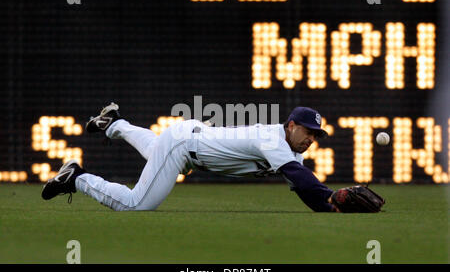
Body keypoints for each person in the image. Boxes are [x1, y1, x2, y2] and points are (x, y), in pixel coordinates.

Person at [40, 103, 369, 212]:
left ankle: (114, 124)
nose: (312, 139)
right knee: (135, 205)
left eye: (317, 136)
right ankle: (77, 177)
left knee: (155, 148)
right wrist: (329, 196)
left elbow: (304, 188)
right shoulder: (275, 142)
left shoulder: (285, 146)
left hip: (189, 140)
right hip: (185, 145)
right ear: (292, 126)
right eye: (308, 132)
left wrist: (329, 205)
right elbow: (301, 180)